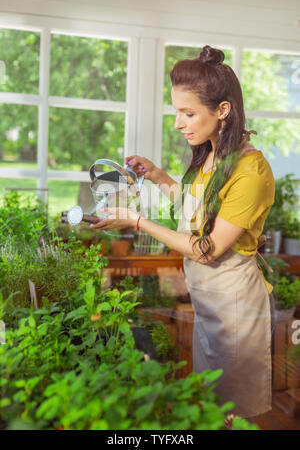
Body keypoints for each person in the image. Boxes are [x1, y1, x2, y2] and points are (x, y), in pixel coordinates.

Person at [90, 45, 275, 420]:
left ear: (223, 110)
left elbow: (206, 248)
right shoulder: (210, 156)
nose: (179, 122)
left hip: (235, 309)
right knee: (207, 406)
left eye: (188, 113)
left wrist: (138, 221)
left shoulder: (250, 171)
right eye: (178, 111)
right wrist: (158, 176)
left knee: (232, 413)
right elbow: (197, 213)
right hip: (209, 304)